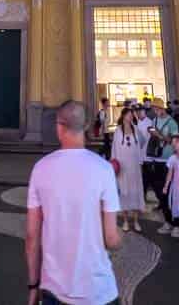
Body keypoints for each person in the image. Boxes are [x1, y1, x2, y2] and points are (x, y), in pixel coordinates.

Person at [25, 100, 121, 305]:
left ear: (59, 127)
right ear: (86, 126)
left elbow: (32, 237)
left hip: (53, 288)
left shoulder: (41, 168)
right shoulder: (104, 169)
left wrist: (33, 285)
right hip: (97, 290)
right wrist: (119, 239)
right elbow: (111, 239)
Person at [143, 101, 179, 235]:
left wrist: (162, 137)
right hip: (156, 159)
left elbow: (175, 141)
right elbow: (152, 133)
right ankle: (168, 221)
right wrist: (152, 132)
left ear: (162, 108)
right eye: (153, 108)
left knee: (170, 192)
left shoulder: (172, 123)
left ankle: (177, 224)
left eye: (157, 108)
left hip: (168, 160)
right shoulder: (155, 120)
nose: (155, 110)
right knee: (160, 193)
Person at [112, 106, 147, 233]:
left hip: (134, 167)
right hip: (123, 167)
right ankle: (126, 220)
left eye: (132, 115)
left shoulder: (136, 129)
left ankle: (136, 220)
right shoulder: (118, 131)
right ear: (123, 116)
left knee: (135, 192)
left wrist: (139, 157)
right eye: (128, 114)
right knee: (125, 192)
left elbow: (142, 142)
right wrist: (114, 164)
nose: (131, 116)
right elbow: (114, 149)